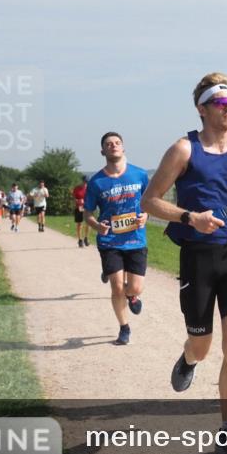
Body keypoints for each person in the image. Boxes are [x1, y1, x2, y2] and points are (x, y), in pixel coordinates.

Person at [141, 73, 227, 454]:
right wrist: (189, 217)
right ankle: (189, 359)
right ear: (203, 108)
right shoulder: (183, 150)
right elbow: (150, 201)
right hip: (197, 256)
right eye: (221, 103)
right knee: (203, 344)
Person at [84, 132, 149, 346]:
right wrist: (96, 226)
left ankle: (133, 296)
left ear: (123, 148)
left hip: (136, 240)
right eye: (108, 144)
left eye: (117, 143)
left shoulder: (139, 175)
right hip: (110, 241)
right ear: (103, 151)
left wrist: (145, 216)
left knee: (135, 287)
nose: (113, 146)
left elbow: (150, 202)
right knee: (117, 287)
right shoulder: (96, 182)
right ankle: (124, 327)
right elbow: (88, 213)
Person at [72, 176, 91, 248]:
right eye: (85, 181)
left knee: (89, 223)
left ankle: (86, 238)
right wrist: (78, 201)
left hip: (87, 207)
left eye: (87, 182)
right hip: (79, 207)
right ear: (82, 181)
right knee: (80, 224)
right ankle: (80, 240)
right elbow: (74, 198)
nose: (85, 183)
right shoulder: (77, 188)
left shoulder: (90, 189)